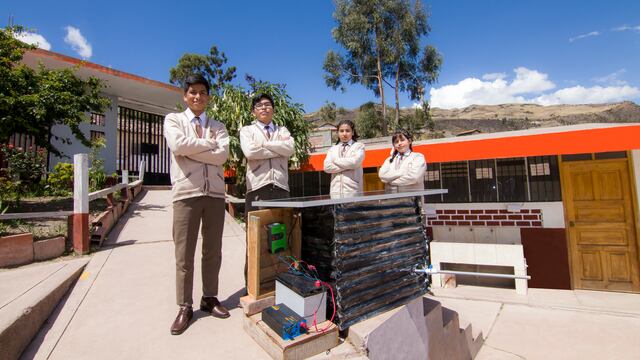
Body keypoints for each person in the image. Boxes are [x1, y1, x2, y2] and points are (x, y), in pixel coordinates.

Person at [164, 74, 231, 336]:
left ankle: (209, 298)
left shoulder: (219, 125)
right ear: (185, 95)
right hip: (185, 193)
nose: (197, 97)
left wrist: (196, 149)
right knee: (184, 255)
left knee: (212, 251)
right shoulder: (174, 120)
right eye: (192, 92)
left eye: (202, 92)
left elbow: (222, 155)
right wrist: (208, 144)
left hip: (214, 194)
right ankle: (185, 306)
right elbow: (178, 145)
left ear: (208, 96)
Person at [240, 93, 295, 287]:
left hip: (280, 187)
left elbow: (290, 148)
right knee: (256, 239)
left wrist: (265, 144)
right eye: (259, 105)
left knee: (281, 237)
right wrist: (277, 148)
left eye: (267, 104)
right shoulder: (247, 131)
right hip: (257, 187)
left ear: (273, 108)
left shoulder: (283, 129)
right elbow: (250, 152)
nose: (264, 108)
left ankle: (279, 283)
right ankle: (253, 286)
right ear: (254, 111)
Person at [323, 120, 365, 196]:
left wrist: (335, 160)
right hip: (335, 193)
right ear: (338, 133)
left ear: (352, 132)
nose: (344, 133)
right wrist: (349, 166)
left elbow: (355, 162)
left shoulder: (359, 146)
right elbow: (327, 167)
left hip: (353, 192)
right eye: (341, 131)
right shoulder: (332, 149)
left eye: (347, 131)